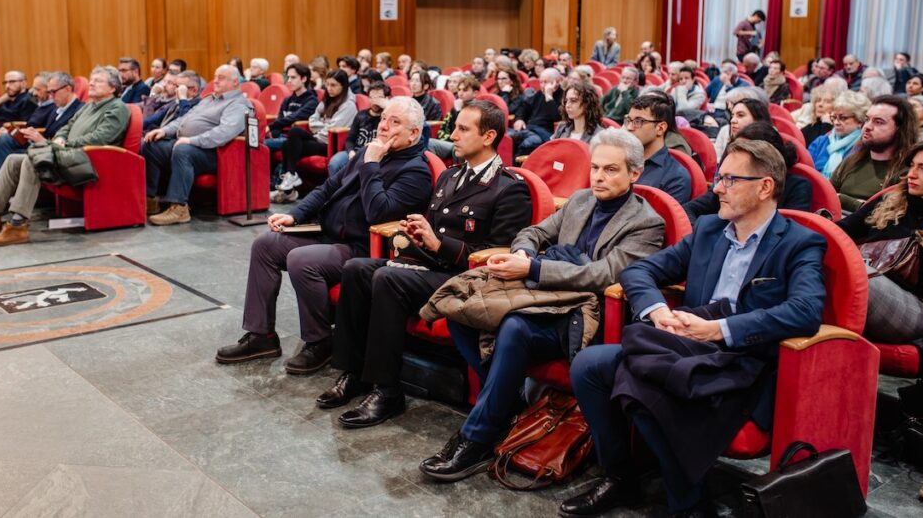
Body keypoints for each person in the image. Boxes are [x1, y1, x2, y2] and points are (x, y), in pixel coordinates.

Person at [561, 140, 826, 518]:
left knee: (639, 380)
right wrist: (657, 311)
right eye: (719, 177)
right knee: (590, 366)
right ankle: (622, 477)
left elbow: (805, 310)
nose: (716, 187)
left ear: (765, 187)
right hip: (683, 344)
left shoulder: (799, 243)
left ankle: (688, 500)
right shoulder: (709, 229)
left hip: (742, 361)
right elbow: (639, 270)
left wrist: (719, 329)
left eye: (730, 179)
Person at [417, 130, 666, 480]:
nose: (598, 177)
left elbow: (604, 274)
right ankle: (506, 406)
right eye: (595, 168)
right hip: (544, 297)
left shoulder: (646, 222)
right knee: (463, 311)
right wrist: (523, 253)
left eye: (611, 170)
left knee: (514, 326)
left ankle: (478, 437)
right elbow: (533, 232)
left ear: (635, 174)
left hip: (586, 314)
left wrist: (534, 268)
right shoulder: (581, 201)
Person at [315, 100, 532, 428]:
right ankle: (354, 372)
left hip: (465, 278)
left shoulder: (510, 189)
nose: (452, 135)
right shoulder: (449, 176)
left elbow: (494, 254)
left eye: (462, 129)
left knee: (388, 278)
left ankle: (387, 391)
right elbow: (432, 230)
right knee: (357, 268)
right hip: (432, 267)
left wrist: (437, 243)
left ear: (488, 136)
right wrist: (417, 234)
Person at [215, 97, 433, 372]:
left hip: (363, 249)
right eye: (383, 119)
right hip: (329, 233)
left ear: (414, 133)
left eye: (395, 121)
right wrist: (295, 214)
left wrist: (371, 165)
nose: (384, 126)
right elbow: (328, 188)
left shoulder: (415, 171)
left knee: (301, 259)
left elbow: (379, 214)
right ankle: (261, 336)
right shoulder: (371, 151)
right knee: (265, 244)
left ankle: (320, 342)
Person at [0, 66, 130, 246]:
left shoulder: (117, 108)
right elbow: (67, 126)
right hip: (67, 154)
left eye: (98, 81)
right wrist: (60, 138)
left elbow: (100, 138)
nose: (92, 83)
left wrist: (65, 144)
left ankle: (18, 225)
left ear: (112, 88)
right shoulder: (88, 106)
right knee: (12, 160)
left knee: (33, 160)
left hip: (86, 161)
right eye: (92, 79)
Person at [838, 137, 923, 344]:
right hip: (869, 277)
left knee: (855, 272)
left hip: (917, 308)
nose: (912, 174)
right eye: (912, 166)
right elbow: (842, 230)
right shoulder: (891, 199)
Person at [0, 72, 84, 225]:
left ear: (68, 89)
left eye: (53, 92)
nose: (50, 96)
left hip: (51, 154)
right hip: (39, 147)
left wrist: (41, 139)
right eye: (49, 91)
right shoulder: (58, 109)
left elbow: (64, 140)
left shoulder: (78, 110)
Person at [143, 65, 252, 225]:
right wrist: (164, 131)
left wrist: (192, 141)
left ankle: (179, 208)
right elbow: (184, 119)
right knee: (151, 145)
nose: (215, 81)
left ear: (235, 82)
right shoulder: (209, 99)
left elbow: (224, 133)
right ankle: (151, 199)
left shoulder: (238, 104)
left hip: (216, 153)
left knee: (183, 150)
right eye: (215, 76)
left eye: (221, 78)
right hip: (191, 145)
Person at [684, 122, 812, 224]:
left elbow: (785, 235)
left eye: (745, 150)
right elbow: (687, 210)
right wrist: (702, 239)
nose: (718, 189)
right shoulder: (726, 184)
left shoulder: (797, 186)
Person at [273, 69, 356, 203]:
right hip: (318, 138)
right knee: (290, 139)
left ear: (343, 86)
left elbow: (331, 129)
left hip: (330, 144)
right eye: (327, 84)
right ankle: (291, 178)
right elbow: (312, 120)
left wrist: (319, 127)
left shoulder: (349, 106)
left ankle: (288, 188)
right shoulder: (327, 100)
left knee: (289, 142)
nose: (329, 88)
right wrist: (320, 126)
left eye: (333, 85)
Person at [831, 94, 918, 213]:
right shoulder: (852, 160)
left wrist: (845, 201)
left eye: (878, 122)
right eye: (867, 119)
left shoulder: (908, 171)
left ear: (900, 129)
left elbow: (887, 214)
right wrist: (859, 205)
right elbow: (827, 195)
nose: (867, 127)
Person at [624, 94, 692, 203]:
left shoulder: (675, 177)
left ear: (660, 128)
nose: (629, 127)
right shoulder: (621, 160)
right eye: (628, 120)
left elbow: (664, 219)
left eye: (638, 121)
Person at [328, 82, 390, 176]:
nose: (375, 101)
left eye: (379, 98)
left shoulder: (388, 119)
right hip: (356, 151)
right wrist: (350, 152)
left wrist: (387, 108)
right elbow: (350, 139)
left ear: (386, 99)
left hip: (374, 155)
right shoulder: (361, 115)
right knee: (335, 163)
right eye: (372, 97)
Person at [808, 91, 868, 177]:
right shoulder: (821, 141)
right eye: (834, 117)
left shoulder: (864, 146)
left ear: (860, 120)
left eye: (843, 118)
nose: (836, 122)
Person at [509, 69, 563, 156]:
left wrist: (549, 97)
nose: (542, 85)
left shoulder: (563, 97)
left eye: (546, 82)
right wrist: (520, 119)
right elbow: (524, 107)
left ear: (556, 82)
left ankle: (512, 168)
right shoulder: (539, 94)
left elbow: (556, 117)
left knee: (527, 143)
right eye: (541, 82)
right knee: (507, 138)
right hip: (529, 129)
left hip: (544, 134)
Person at [429, 75, 481, 160]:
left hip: (466, 144)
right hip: (451, 141)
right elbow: (446, 127)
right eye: (459, 89)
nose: (460, 93)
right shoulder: (457, 105)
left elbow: (462, 131)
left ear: (475, 93)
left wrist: (458, 112)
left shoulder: (477, 109)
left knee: (431, 144)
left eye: (465, 90)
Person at [713, 92, 770, 162]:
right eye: (732, 116)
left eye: (740, 115)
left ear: (757, 119)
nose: (732, 120)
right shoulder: (728, 134)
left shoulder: (767, 150)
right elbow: (716, 161)